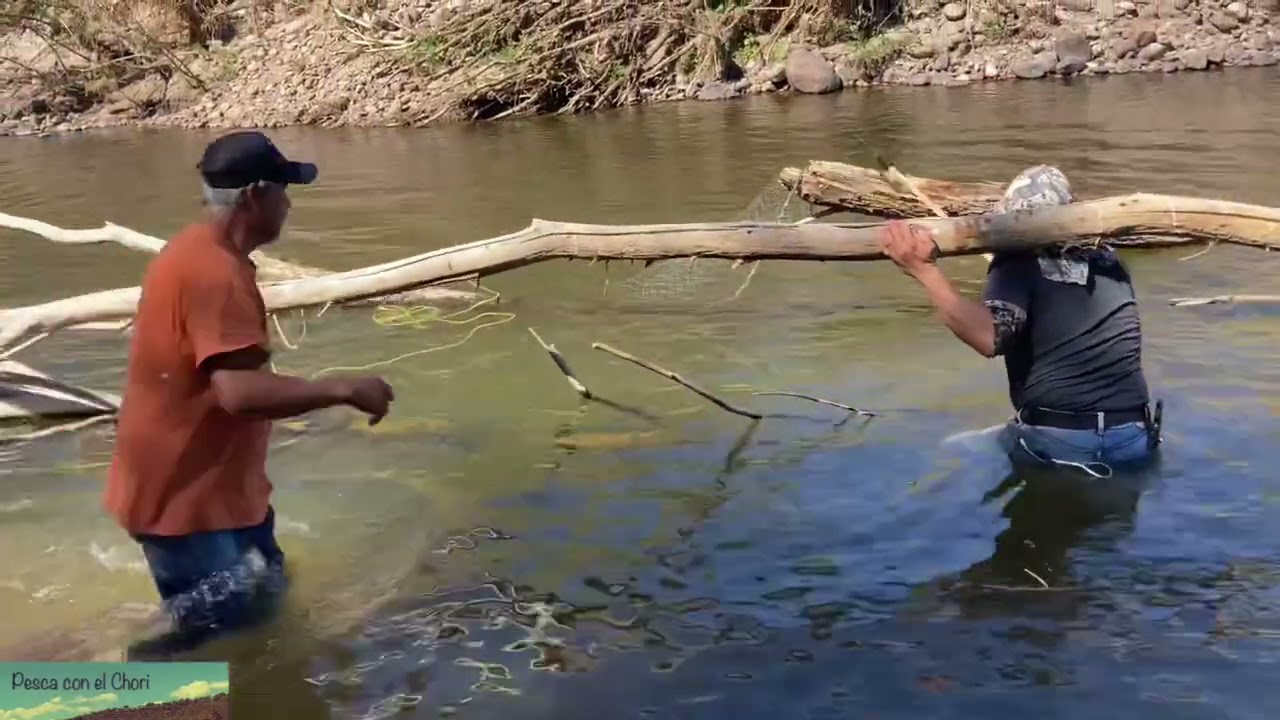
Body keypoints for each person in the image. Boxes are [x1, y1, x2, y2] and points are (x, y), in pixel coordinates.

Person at [104, 130, 395, 652]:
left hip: (216, 493)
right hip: (185, 504)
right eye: (283, 190)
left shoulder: (197, 252)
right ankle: (80, 701)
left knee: (267, 614)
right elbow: (237, 393)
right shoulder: (215, 274)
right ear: (253, 196)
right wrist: (344, 388)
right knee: (212, 648)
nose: (288, 203)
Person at [878, 165, 1161, 475]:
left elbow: (989, 337)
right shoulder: (1109, 259)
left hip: (1059, 441)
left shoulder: (1017, 261)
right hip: (1134, 435)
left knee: (952, 448)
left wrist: (923, 269)